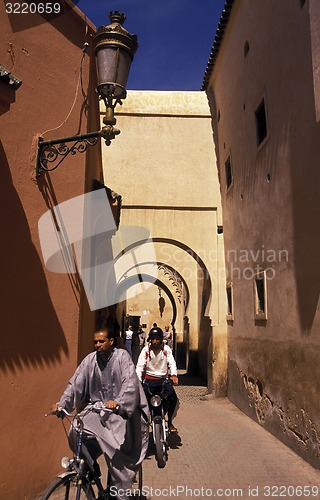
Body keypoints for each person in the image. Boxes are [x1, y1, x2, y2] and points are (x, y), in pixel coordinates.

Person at [50, 326, 149, 500]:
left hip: (121, 413)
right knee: (76, 430)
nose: (97, 345)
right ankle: (90, 466)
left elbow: (129, 384)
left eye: (101, 341)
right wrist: (62, 404)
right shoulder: (90, 360)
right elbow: (75, 384)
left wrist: (118, 402)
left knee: (115, 451)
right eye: (95, 341)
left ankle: (118, 492)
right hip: (98, 409)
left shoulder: (122, 357)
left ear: (111, 341)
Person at [136, 326, 179, 433]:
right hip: (149, 382)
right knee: (140, 402)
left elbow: (172, 363)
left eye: (157, 339)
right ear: (150, 339)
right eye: (153, 339)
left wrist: (174, 375)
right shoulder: (145, 351)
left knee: (174, 399)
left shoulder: (166, 350)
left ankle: (169, 422)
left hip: (163, 381)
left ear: (161, 339)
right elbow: (139, 367)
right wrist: (138, 380)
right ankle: (143, 424)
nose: (155, 341)